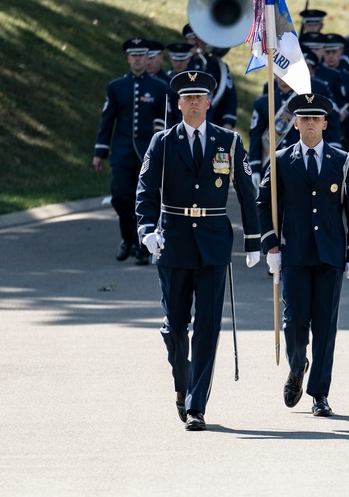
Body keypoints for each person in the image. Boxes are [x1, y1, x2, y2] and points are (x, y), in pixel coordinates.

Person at [135, 70, 261, 431]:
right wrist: (146, 230)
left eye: (199, 97)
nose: (193, 103)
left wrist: (253, 239)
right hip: (172, 242)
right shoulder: (162, 142)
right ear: (178, 104)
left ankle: (196, 405)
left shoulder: (229, 141)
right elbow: (145, 191)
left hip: (212, 243)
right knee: (175, 326)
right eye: (186, 98)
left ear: (209, 103)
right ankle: (182, 382)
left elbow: (246, 192)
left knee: (207, 326)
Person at [257, 92, 349, 418]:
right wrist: (271, 244)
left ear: (325, 123)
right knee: (294, 321)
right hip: (296, 254)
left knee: (325, 326)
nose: (310, 124)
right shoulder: (280, 159)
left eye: (316, 118)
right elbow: (264, 203)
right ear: (296, 123)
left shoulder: (342, 160)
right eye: (305, 118)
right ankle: (297, 363)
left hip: (331, 254)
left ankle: (319, 393)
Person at [93, 38, 169, 265]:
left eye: (141, 55)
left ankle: (143, 246)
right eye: (133, 55)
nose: (137, 59)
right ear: (128, 58)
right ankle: (127, 238)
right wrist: (100, 151)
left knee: (148, 200)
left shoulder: (159, 87)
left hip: (149, 153)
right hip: (122, 152)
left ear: (147, 58)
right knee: (120, 196)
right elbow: (108, 120)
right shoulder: (116, 87)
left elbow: (165, 122)